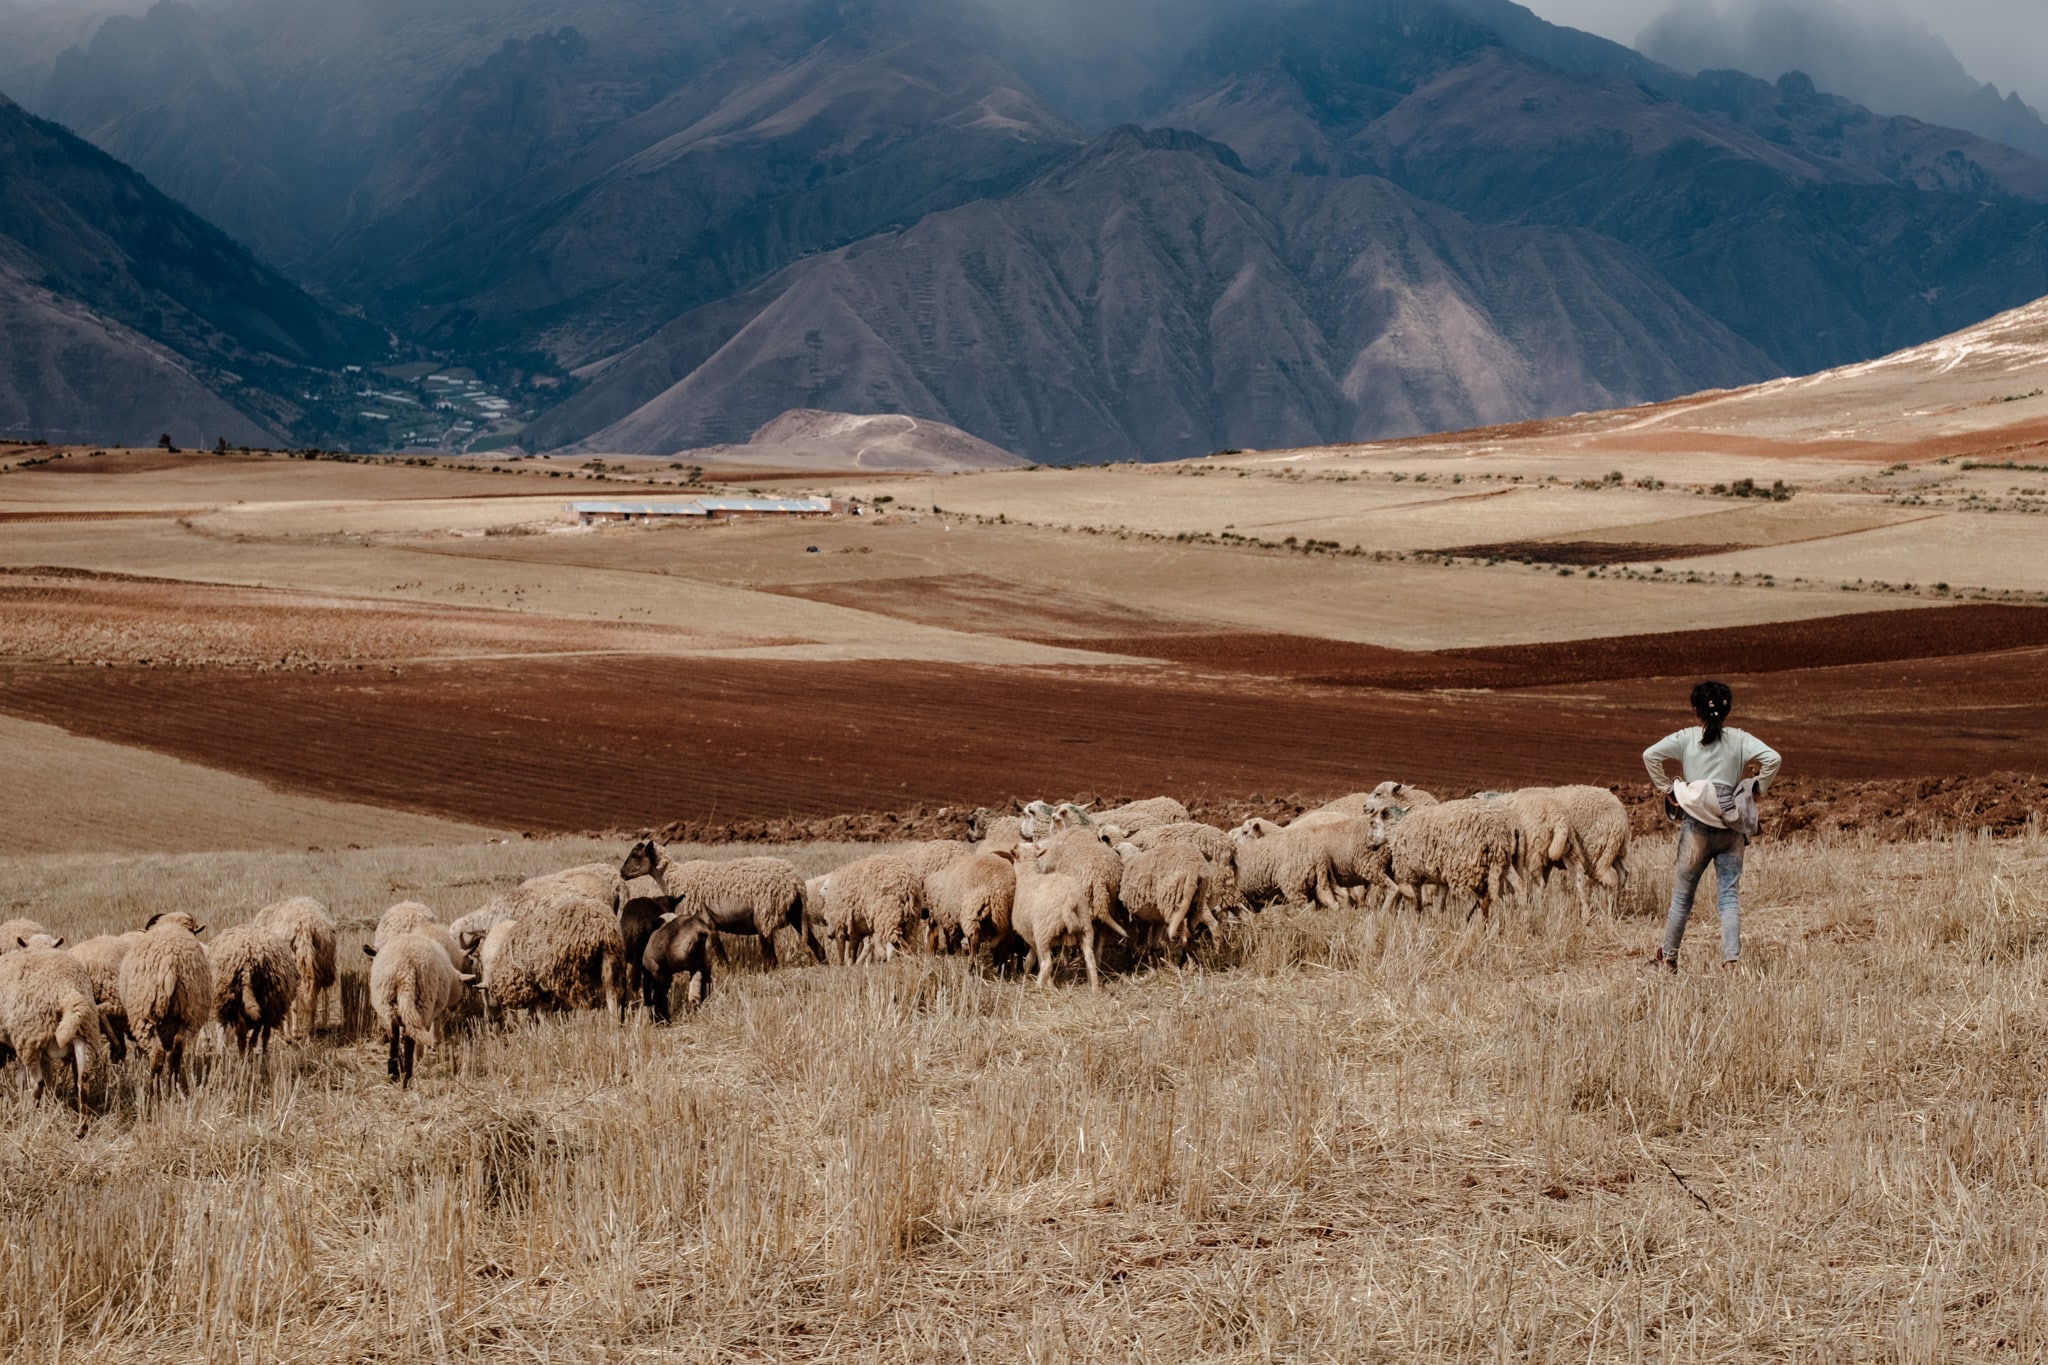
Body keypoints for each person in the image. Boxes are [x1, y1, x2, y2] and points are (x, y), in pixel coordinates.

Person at [1642, 680, 1781, 972]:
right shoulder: (1740, 739)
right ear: (1728, 709)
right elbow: (1773, 758)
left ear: (1695, 710)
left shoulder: (1685, 738)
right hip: (1731, 827)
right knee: (1728, 896)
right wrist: (1757, 787)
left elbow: (1650, 755)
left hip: (1695, 828)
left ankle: (1668, 960)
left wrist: (1667, 788)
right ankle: (1731, 963)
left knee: (1682, 897)